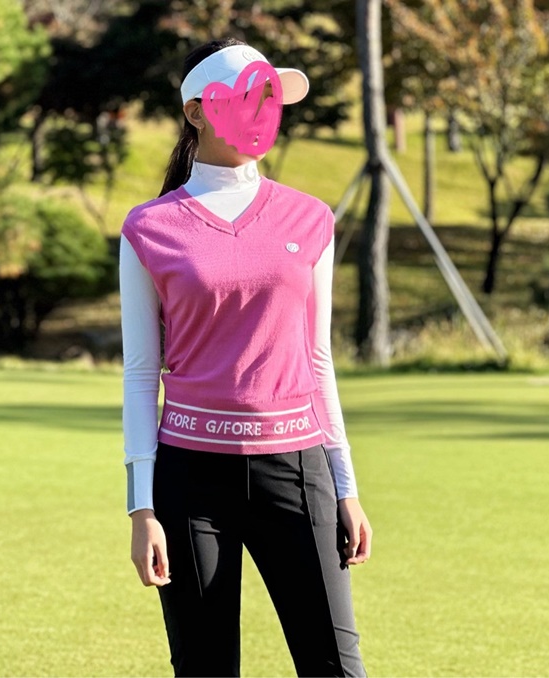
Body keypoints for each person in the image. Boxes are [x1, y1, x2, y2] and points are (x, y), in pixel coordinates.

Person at [120, 38, 373, 678]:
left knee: (336, 668)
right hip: (190, 480)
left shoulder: (311, 218)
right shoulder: (149, 228)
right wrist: (141, 508)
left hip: (298, 468)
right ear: (197, 111)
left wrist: (346, 486)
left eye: (270, 99)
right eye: (246, 97)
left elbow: (318, 360)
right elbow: (141, 375)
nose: (262, 111)